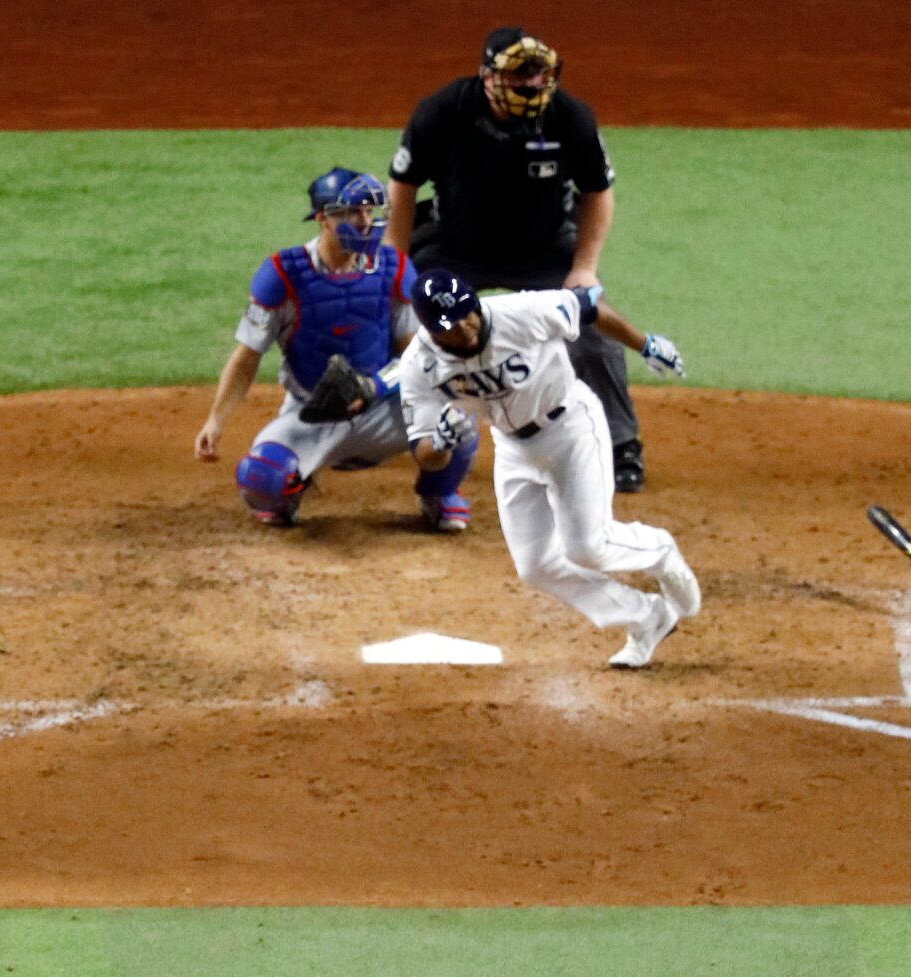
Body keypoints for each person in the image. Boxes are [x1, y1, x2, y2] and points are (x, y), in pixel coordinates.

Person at [386, 27, 648, 494]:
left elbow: (597, 193)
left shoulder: (569, 117)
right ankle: (396, 427)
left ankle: (621, 444)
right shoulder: (444, 112)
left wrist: (583, 268)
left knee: (592, 333)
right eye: (518, 75)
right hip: (455, 246)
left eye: (538, 74)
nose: (531, 84)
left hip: (542, 248)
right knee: (401, 316)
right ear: (487, 77)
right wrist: (396, 262)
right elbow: (403, 185)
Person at [400, 271, 700, 670]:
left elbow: (588, 306)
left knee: (587, 546)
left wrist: (644, 344)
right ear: (428, 328)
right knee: (535, 566)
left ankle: (659, 550)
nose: (464, 327)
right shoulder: (419, 366)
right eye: (449, 325)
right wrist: (439, 443)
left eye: (466, 314)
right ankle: (647, 617)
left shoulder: (522, 312)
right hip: (511, 447)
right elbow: (424, 454)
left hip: (570, 426)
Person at [195, 170, 475, 531]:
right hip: (313, 413)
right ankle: (293, 485)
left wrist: (373, 386)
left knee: (456, 424)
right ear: (323, 218)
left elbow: (417, 357)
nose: (363, 222)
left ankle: (438, 493)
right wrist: (216, 421)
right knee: (261, 479)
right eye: (350, 213)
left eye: (368, 212)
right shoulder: (283, 275)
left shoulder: (394, 268)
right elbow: (247, 356)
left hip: (383, 408)